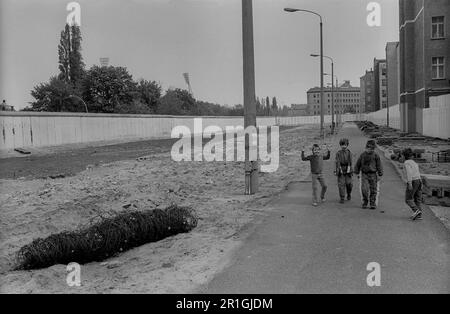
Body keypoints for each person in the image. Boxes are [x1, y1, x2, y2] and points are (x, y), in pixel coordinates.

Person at [354, 140, 383, 210]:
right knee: (364, 189)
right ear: (366, 147)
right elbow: (358, 164)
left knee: (373, 189)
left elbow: (379, 165)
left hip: (373, 174)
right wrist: (357, 172)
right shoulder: (362, 155)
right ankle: (365, 201)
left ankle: (372, 203)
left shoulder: (376, 155)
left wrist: (380, 174)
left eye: (372, 149)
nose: (370, 150)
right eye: (369, 148)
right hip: (364, 174)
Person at [403, 148, 423, 221]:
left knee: (408, 199)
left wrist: (410, 183)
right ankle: (419, 215)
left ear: (404, 156)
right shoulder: (414, 163)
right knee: (417, 198)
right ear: (412, 155)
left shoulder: (406, 163)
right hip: (418, 180)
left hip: (413, 181)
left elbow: (409, 173)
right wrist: (421, 182)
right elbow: (418, 172)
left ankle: (416, 211)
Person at [335, 138, 353, 204]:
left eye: (345, 145)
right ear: (340, 145)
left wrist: (350, 170)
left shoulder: (349, 152)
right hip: (341, 169)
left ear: (347, 145)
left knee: (349, 184)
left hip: (348, 169)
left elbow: (350, 162)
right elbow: (337, 162)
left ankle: (349, 193)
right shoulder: (338, 153)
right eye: (342, 145)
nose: (343, 146)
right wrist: (337, 170)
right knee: (341, 184)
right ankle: (342, 197)